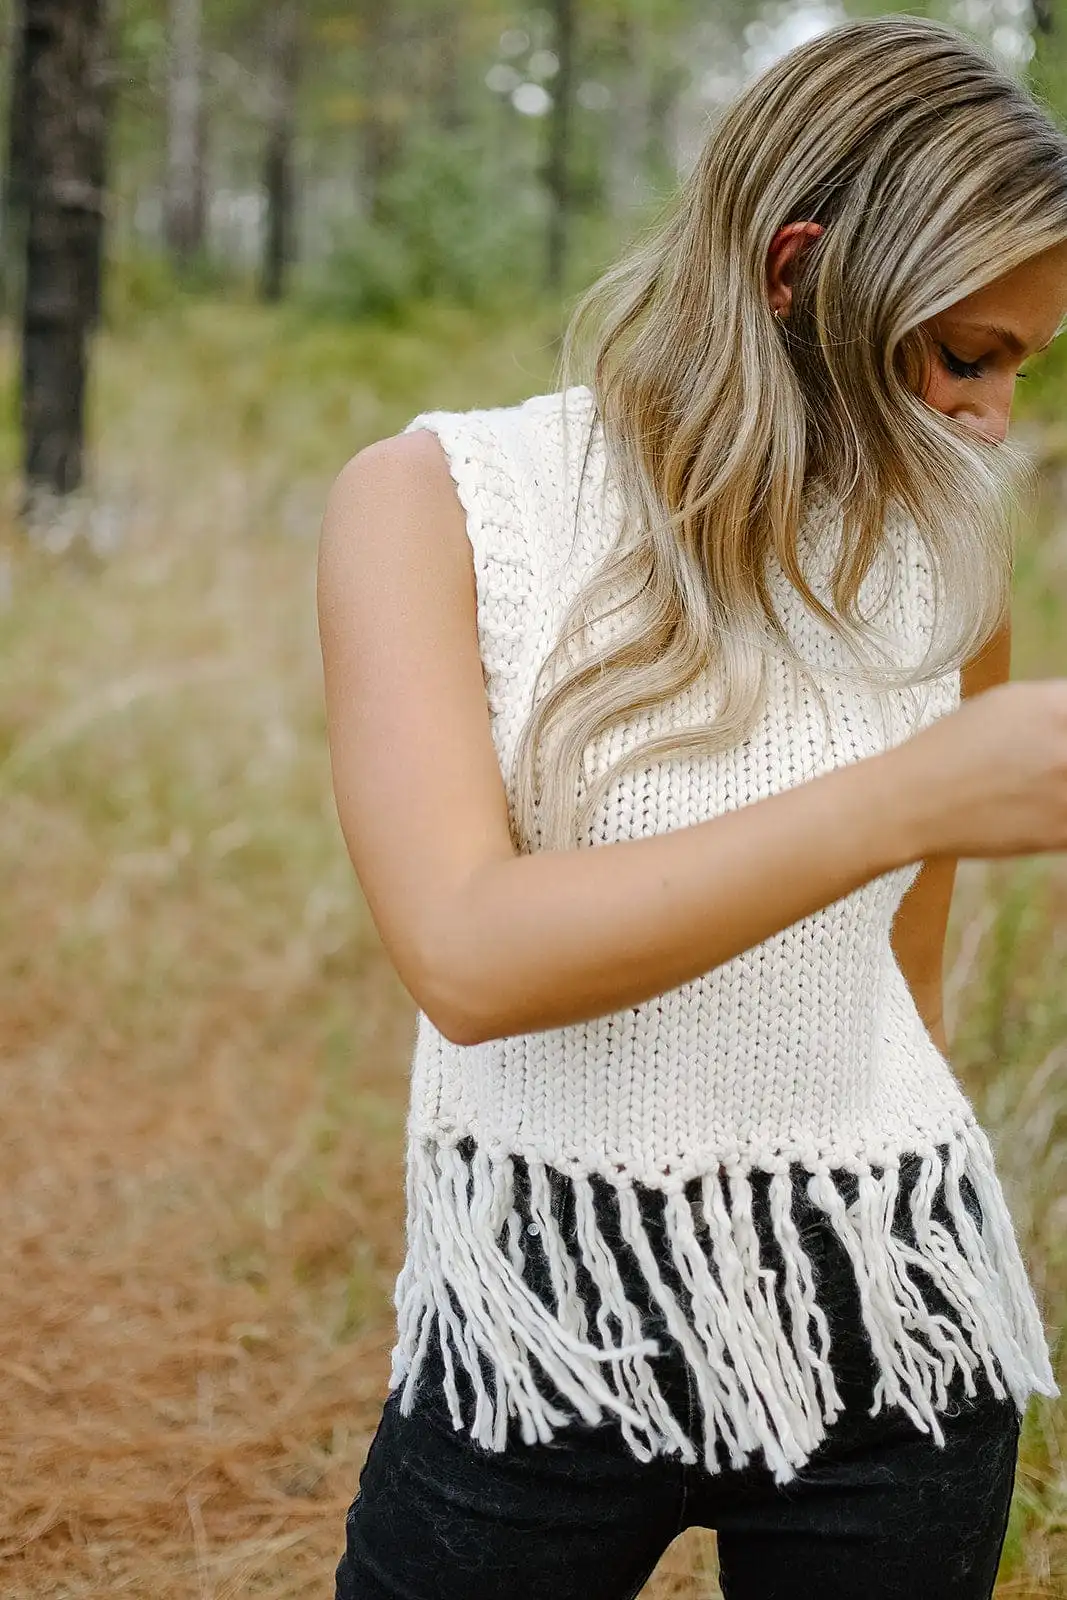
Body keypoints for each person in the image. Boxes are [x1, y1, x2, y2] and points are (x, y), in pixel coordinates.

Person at [317, 16, 1067, 1600]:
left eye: (1022, 364)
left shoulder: (946, 543)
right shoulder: (440, 500)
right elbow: (466, 954)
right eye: (967, 354)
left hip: (892, 1298)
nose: (994, 420)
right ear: (797, 268)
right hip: (541, 1296)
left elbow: (904, 978)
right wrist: (910, 790)